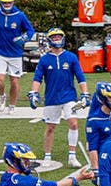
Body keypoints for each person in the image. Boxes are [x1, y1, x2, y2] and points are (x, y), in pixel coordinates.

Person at [29, 29, 86, 168]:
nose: (57, 39)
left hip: (69, 97)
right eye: (54, 37)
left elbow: (80, 76)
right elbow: (37, 78)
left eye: (59, 36)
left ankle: (72, 156)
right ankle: (47, 155)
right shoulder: (44, 59)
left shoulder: (71, 57)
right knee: (50, 127)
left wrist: (85, 93)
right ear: (49, 40)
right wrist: (34, 92)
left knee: (73, 123)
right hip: (51, 98)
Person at [0, 0, 35, 114]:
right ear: (0, 2)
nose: (7, 4)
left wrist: (23, 38)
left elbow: (30, 30)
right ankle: (2, 96)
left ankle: (12, 105)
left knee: (14, 80)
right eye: (4, 2)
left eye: (9, 2)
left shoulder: (20, 15)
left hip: (15, 52)